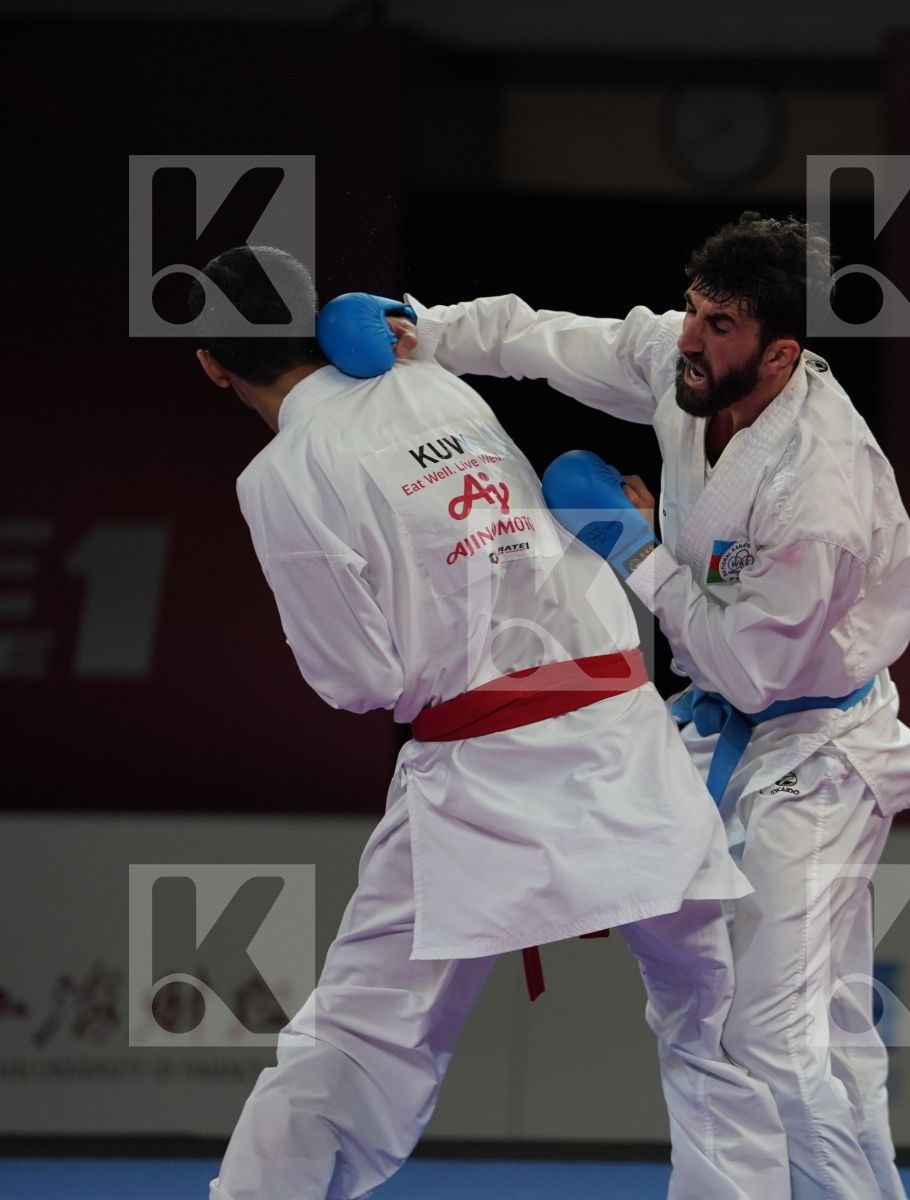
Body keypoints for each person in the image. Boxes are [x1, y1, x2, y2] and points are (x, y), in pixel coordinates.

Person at [325, 212, 910, 1200]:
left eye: (721, 327)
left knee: (771, 1037)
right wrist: (426, 328)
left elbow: (754, 668)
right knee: (800, 1024)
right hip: (723, 715)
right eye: (694, 311)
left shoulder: (820, 491)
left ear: (781, 351)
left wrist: (634, 551)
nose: (690, 339)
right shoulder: (682, 359)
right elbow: (542, 339)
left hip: (820, 745)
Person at [193, 245, 789, 1200]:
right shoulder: (429, 380)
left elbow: (357, 678)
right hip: (624, 739)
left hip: (482, 773)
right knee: (710, 1019)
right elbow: (502, 346)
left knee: (359, 1035)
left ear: (212, 364)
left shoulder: (282, 475)